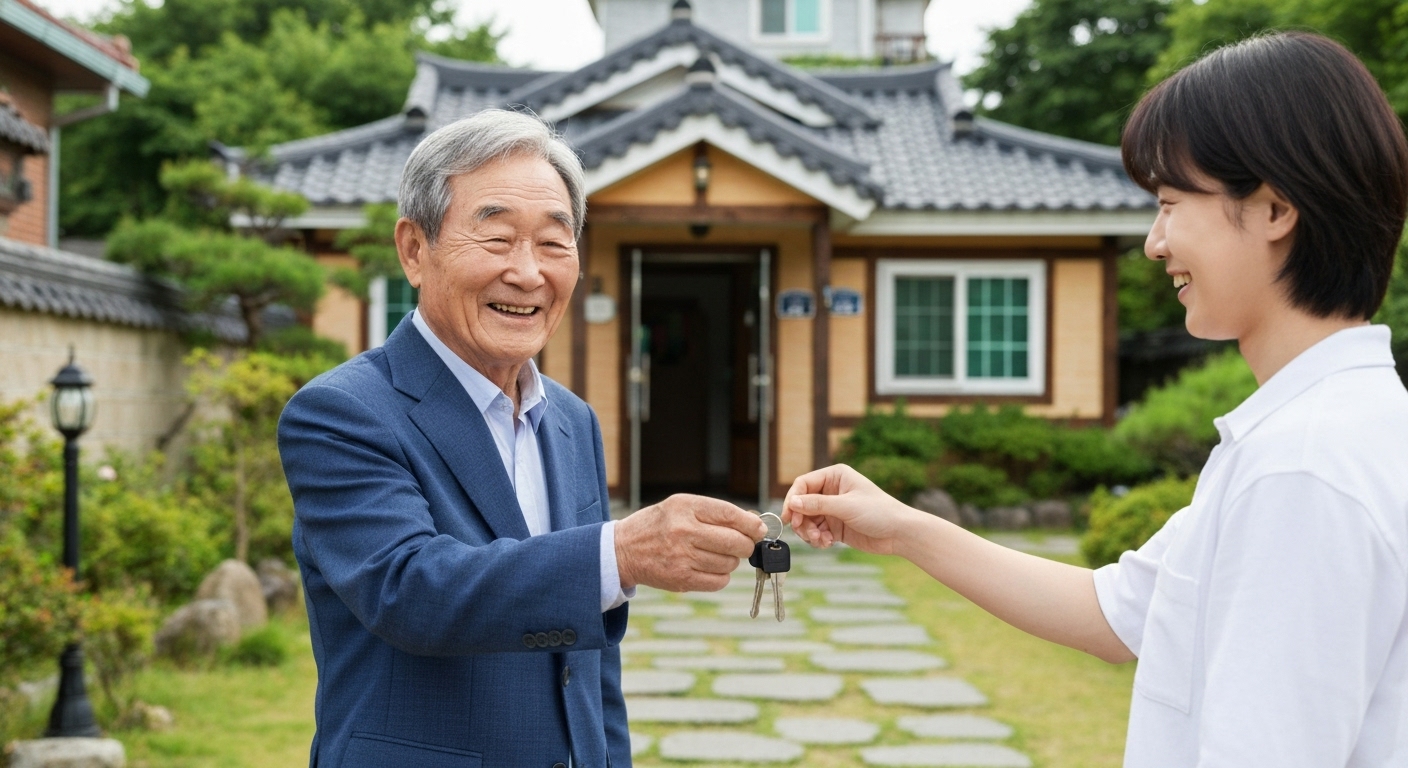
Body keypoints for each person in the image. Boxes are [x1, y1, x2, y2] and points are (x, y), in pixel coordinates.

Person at [784, 32, 1408, 767]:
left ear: (1274, 208)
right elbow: (1119, 614)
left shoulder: (1303, 468)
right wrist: (902, 529)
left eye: (1172, 202)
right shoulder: (1333, 429)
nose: (1154, 241)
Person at [278, 109, 767, 768]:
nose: (529, 273)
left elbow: (592, 667)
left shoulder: (571, 420)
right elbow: (411, 590)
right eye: (498, 238)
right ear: (414, 250)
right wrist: (618, 553)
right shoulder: (342, 412)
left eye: (554, 243)